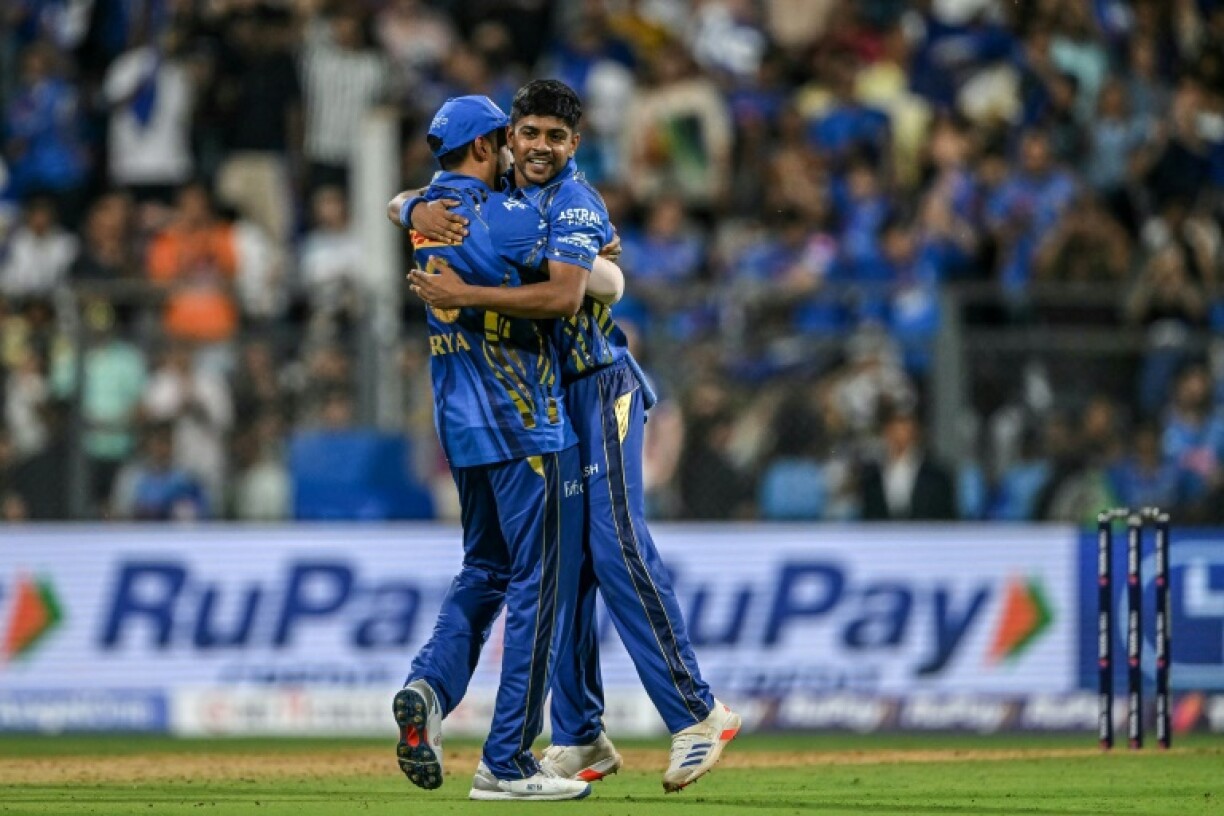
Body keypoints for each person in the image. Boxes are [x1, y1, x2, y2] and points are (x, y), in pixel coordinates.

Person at [405, 79, 740, 794]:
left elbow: (570, 293)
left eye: (556, 138)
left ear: (574, 146)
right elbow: (440, 205)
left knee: (615, 542)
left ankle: (698, 714)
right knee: (569, 563)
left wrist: (469, 293)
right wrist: (409, 204)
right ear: (507, 138)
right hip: (553, 398)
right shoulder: (507, 201)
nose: (539, 147)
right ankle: (582, 730)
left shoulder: (575, 201)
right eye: (529, 133)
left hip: (600, 388)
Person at [387, 95, 593, 802]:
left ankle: (428, 688)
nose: (519, 147)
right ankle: (507, 759)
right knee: (541, 585)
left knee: (483, 570)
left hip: (460, 423)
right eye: (510, 137)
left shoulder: (427, 218)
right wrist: (599, 243)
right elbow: (571, 289)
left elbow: (405, 201)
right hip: (522, 420)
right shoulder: (510, 219)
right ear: (487, 146)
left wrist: (406, 208)